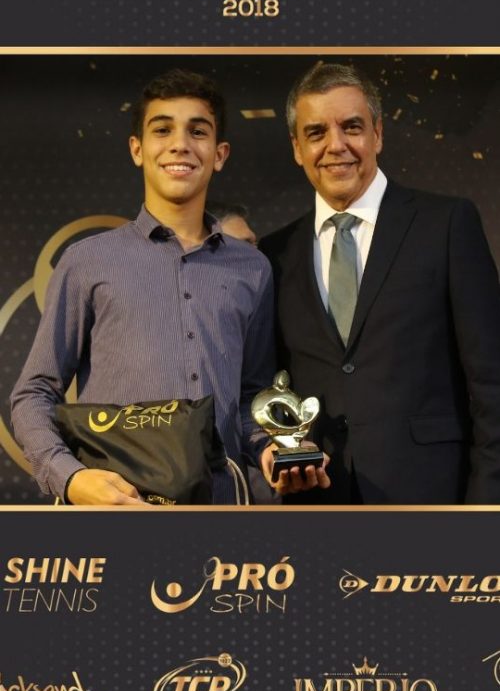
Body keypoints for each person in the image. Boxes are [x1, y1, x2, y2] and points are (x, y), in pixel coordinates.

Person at [11, 69, 279, 505]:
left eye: (198, 131)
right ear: (137, 149)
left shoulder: (252, 268)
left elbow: (252, 398)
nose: (180, 144)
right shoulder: (87, 260)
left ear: (219, 154)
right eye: (162, 129)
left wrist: (271, 448)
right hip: (119, 509)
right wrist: (71, 478)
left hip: (222, 510)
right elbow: (33, 394)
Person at [260, 61, 500, 504]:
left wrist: (485, 508)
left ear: (378, 135)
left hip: (432, 501)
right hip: (317, 505)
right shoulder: (274, 253)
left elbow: (492, 382)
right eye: (316, 133)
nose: (336, 146)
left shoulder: (446, 224)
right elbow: (267, 385)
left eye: (351, 127)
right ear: (297, 147)